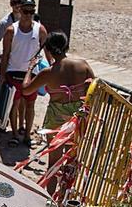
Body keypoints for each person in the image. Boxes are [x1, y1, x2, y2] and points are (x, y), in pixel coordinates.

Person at [22, 31, 94, 192]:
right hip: (77, 119)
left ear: (48, 50)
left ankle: (50, 201)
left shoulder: (49, 73)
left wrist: (30, 69)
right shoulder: (83, 65)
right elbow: (93, 90)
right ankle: (65, 197)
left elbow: (26, 89)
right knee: (72, 161)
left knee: (53, 163)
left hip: (55, 119)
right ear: (66, 45)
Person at [0, 0, 48, 146]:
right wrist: (2, 74)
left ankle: (27, 135)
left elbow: (46, 50)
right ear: (20, 10)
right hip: (13, 72)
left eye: (31, 11)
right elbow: (6, 53)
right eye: (26, 11)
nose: (28, 14)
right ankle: (14, 134)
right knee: (14, 104)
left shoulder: (40, 29)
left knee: (30, 105)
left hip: (31, 74)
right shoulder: (10, 30)